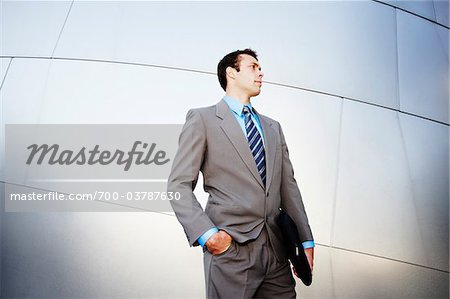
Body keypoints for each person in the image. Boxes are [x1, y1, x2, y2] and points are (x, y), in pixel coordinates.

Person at [168, 49, 314, 298]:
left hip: (277, 253)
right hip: (231, 251)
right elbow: (178, 185)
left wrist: (306, 241)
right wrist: (208, 236)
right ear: (231, 73)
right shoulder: (202, 119)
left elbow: (288, 187)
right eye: (253, 67)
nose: (261, 72)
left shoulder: (273, 128)